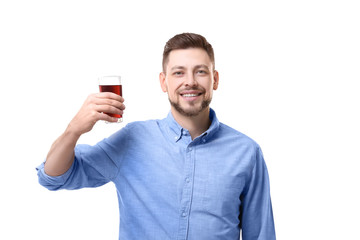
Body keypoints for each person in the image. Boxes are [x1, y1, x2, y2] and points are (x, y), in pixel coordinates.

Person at [37, 33, 276, 240]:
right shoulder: (133, 140)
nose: (190, 82)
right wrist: (74, 129)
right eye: (179, 72)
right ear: (164, 82)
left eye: (200, 72)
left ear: (215, 79)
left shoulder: (247, 152)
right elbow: (53, 177)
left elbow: (261, 235)